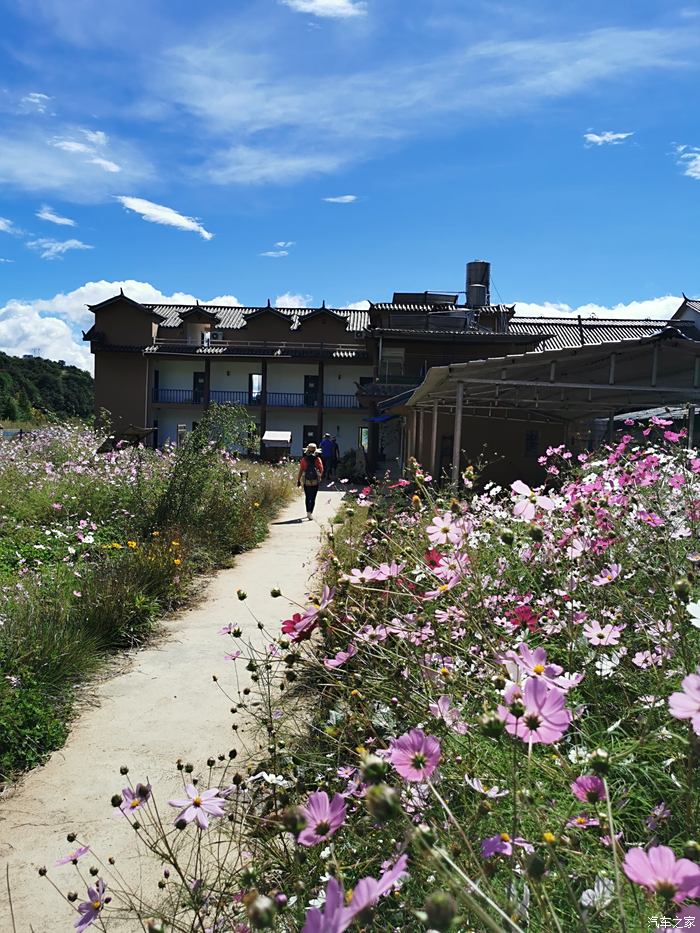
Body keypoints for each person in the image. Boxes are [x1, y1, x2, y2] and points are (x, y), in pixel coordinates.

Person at [297, 443, 324, 520]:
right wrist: (319, 477)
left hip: (306, 481)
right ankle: (311, 512)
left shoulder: (304, 460)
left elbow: (301, 470)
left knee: (307, 497)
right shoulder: (318, 459)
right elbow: (321, 470)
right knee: (313, 497)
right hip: (315, 481)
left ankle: (308, 512)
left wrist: (298, 480)